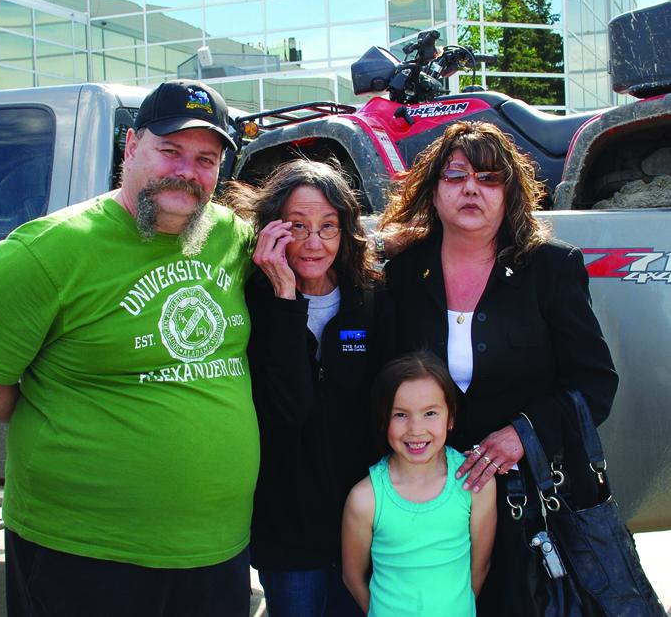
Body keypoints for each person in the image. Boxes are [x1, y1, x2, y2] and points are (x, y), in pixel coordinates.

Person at [0, 80, 259, 616]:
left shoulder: (231, 238)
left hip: (214, 551)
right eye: (169, 150)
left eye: (206, 159)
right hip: (81, 549)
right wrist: (52, 413)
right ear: (131, 147)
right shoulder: (50, 248)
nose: (187, 171)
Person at [378, 120, 618, 616]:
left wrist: (522, 433)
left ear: (510, 192)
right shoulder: (403, 271)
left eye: (489, 178)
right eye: (456, 175)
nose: (471, 188)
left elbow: (595, 384)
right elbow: (381, 379)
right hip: (427, 496)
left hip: (528, 497)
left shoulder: (551, 268)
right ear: (432, 189)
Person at [225, 159, 394, 617]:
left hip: (362, 519)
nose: (314, 243)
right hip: (287, 524)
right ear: (272, 230)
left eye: (328, 227)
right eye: (298, 227)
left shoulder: (370, 296)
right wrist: (284, 296)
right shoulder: (249, 300)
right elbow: (292, 408)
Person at [341, 350, 496, 616]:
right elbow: (353, 578)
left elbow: (479, 568)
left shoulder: (474, 481)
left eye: (430, 413)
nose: (415, 428)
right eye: (400, 414)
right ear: (383, 418)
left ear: (451, 418)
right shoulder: (365, 498)